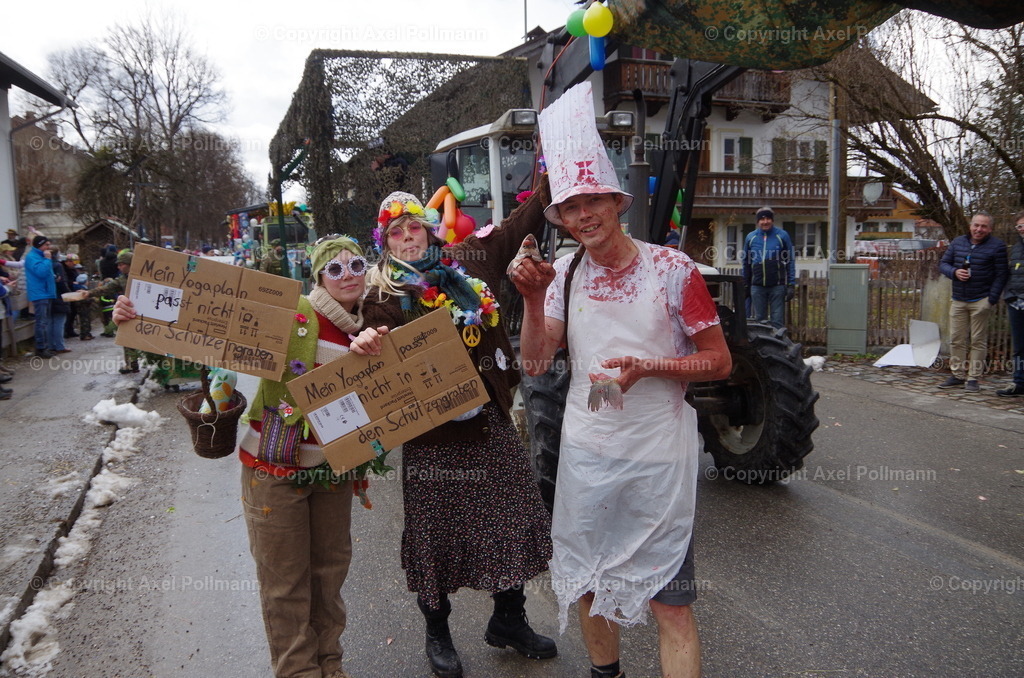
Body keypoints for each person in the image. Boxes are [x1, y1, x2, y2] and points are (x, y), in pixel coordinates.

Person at [514, 82, 731, 678]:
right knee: (589, 585)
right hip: (588, 455)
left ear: (617, 202)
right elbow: (535, 364)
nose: (583, 216)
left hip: (657, 460)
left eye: (593, 202)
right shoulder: (563, 273)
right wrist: (533, 302)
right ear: (560, 218)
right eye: (569, 208)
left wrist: (651, 366)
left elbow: (718, 361)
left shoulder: (672, 270)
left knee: (670, 602)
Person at [113, 235, 371, 678]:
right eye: (335, 268)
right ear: (319, 278)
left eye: (356, 264)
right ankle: (298, 672)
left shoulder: (372, 322)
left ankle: (331, 667)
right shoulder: (297, 314)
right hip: (273, 469)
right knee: (286, 585)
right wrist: (140, 315)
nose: (347, 274)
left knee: (328, 578)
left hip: (332, 471)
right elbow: (215, 322)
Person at [350, 188, 556, 678]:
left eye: (413, 228)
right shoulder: (384, 292)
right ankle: (437, 631)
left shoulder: (469, 261)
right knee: (434, 535)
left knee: (509, 516)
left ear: (428, 228)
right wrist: (370, 339)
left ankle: (509, 618)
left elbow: (513, 227)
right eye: (395, 233)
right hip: (431, 437)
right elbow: (372, 332)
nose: (406, 239)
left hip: (487, 418)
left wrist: (549, 177)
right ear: (387, 242)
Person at [938, 211, 1008, 392]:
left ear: (990, 229)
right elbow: (943, 264)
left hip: (981, 299)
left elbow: (1001, 275)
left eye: (983, 226)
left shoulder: (997, 246)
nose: (979, 229)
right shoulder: (958, 242)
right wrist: (954, 272)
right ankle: (957, 375)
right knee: (956, 339)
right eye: (976, 225)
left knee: (978, 340)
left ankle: (973, 378)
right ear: (970, 226)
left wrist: (991, 300)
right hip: (958, 299)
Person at [742, 206, 796, 328]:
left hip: (777, 286)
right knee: (759, 321)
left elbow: (790, 261)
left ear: (772, 220)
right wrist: (745, 284)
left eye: (768, 219)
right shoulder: (751, 237)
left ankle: (778, 346)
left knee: (777, 321)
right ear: (758, 221)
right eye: (762, 219)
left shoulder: (782, 236)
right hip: (757, 286)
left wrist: (791, 284)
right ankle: (762, 347)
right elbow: (746, 262)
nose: (765, 222)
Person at [88, 250, 139, 372]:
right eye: (119, 264)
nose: (119, 267)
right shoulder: (122, 279)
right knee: (126, 337)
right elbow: (107, 288)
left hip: (146, 312)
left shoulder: (142, 276)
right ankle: (131, 363)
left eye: (122, 264)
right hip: (130, 311)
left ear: (130, 264)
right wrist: (89, 293)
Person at [998, 211, 1024, 397]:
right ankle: (1019, 382)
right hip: (1017, 303)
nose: (1022, 229)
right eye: (1020, 226)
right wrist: (1009, 295)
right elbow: (1009, 274)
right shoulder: (1016, 248)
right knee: (1019, 347)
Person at [24, 235, 57, 358]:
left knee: (45, 322)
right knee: (41, 322)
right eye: (46, 245)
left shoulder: (40, 256)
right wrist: (48, 259)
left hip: (46, 292)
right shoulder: (32, 257)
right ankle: (41, 348)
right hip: (40, 293)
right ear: (40, 245)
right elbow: (41, 272)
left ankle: (45, 346)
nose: (49, 247)